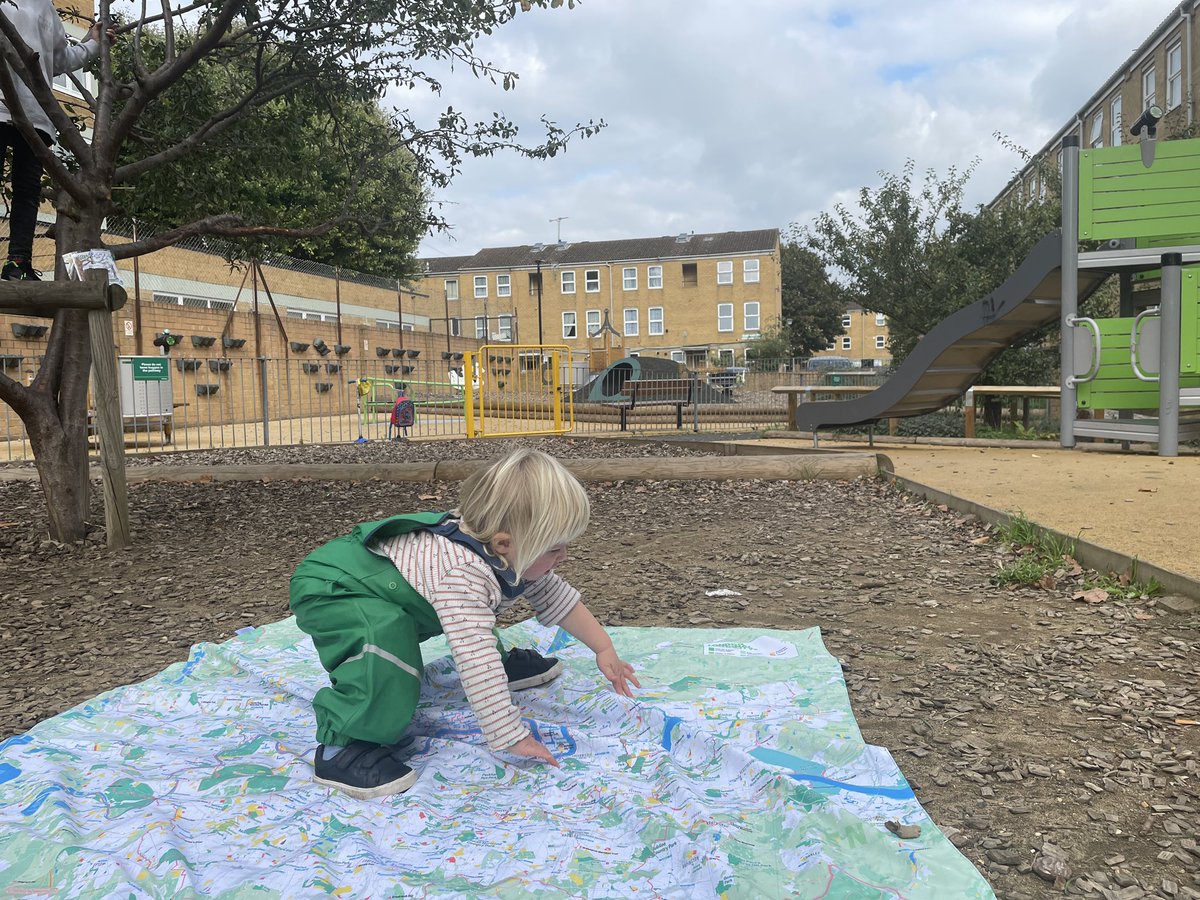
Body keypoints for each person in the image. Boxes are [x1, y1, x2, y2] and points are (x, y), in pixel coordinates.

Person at [290, 448, 639, 800]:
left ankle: (502, 669)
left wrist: (603, 647)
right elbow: (474, 655)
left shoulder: (508, 552)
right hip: (337, 589)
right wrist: (510, 733)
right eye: (554, 549)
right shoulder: (462, 574)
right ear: (504, 542)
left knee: (474, 619)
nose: (564, 557)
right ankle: (345, 746)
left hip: (389, 585)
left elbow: (557, 598)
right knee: (387, 640)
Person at [0, 1, 107, 281]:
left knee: (27, 190)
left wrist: (93, 43)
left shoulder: (44, 7)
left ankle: (18, 263)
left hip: (36, 112)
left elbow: (57, 61)